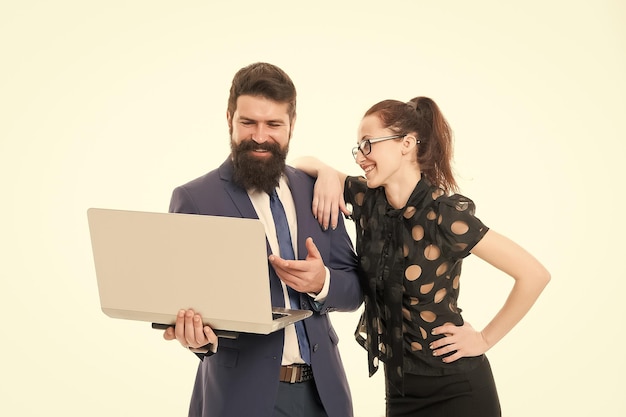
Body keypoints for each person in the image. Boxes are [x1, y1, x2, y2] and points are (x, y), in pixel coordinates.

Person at [293, 96, 551, 416]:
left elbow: (534, 274)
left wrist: (484, 339)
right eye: (358, 147)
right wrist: (326, 172)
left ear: (407, 143)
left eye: (369, 144)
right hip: (401, 390)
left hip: (459, 389)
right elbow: (299, 163)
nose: (361, 156)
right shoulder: (367, 200)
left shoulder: (444, 216)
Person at [162, 62, 363, 417]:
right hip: (240, 398)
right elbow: (185, 305)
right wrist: (199, 340)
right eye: (248, 122)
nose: (259, 136)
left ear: (291, 125)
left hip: (324, 396)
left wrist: (323, 282)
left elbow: (355, 289)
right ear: (229, 118)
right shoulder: (196, 199)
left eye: (273, 124)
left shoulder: (317, 190)